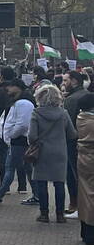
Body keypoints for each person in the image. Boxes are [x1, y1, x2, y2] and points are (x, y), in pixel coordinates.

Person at [28, 84, 74, 224]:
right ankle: (60, 215)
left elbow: (32, 136)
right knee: (59, 184)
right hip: (60, 151)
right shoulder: (63, 113)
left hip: (42, 152)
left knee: (41, 183)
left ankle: (44, 214)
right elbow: (72, 134)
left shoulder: (36, 113)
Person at [0, 80, 36, 204]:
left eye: (10, 86)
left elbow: (22, 124)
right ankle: (37, 195)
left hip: (19, 141)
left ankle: (0, 194)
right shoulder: (20, 101)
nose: (7, 89)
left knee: (10, 167)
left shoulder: (23, 103)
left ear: (17, 87)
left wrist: (11, 134)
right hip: (19, 140)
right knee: (25, 168)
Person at [61, 70, 89, 217]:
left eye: (66, 80)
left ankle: (75, 204)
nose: (63, 84)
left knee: (72, 174)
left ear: (74, 81)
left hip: (72, 142)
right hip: (86, 141)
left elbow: (67, 124)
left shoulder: (71, 100)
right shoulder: (87, 95)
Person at [75, 93, 94, 245]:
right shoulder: (91, 121)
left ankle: (86, 231)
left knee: (84, 193)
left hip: (83, 159)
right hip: (91, 159)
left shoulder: (81, 118)